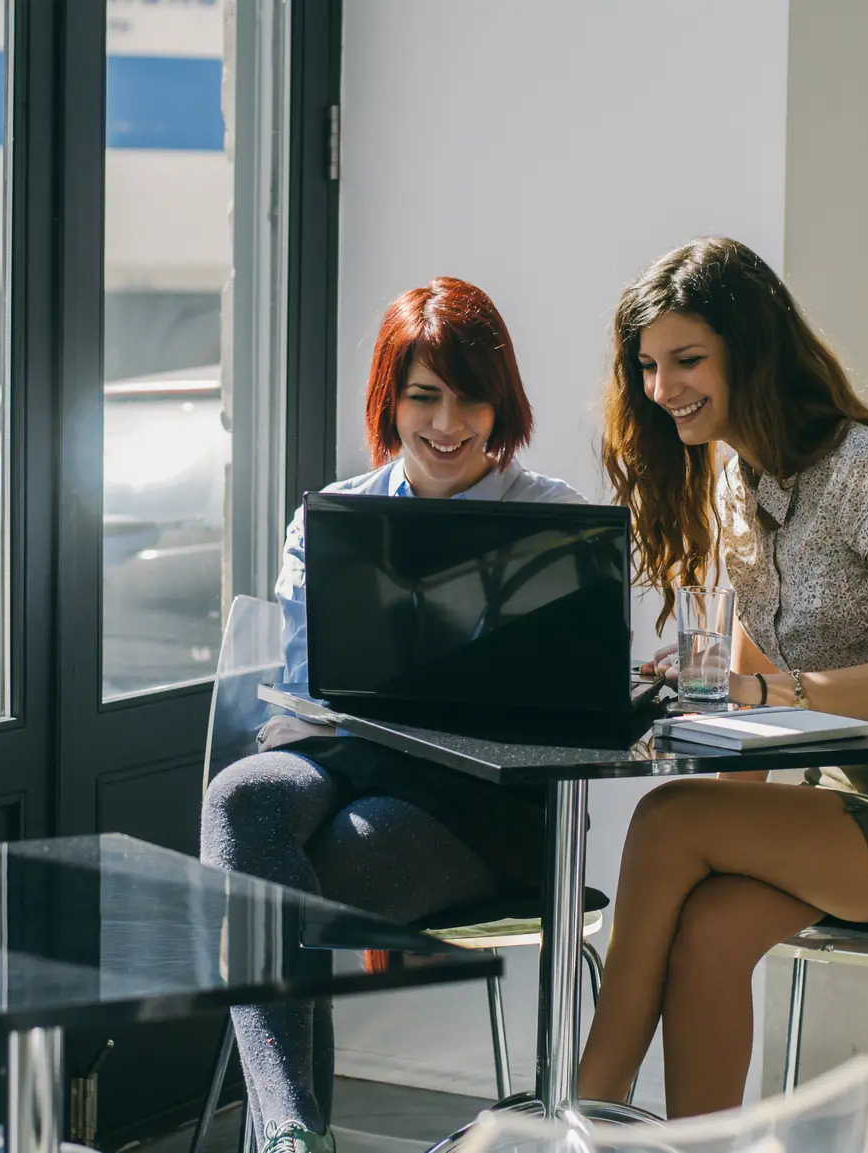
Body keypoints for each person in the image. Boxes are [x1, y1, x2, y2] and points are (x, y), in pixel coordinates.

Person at [576, 237, 868, 1117]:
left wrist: (774, 695)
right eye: (650, 367)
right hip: (842, 803)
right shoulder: (735, 483)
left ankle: (581, 1116)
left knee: (666, 821)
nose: (663, 390)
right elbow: (750, 692)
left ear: (752, 346)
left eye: (688, 360)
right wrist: (701, 737)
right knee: (704, 928)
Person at [200, 276, 586, 1153]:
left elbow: (568, 707)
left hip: (475, 805)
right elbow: (309, 685)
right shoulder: (333, 518)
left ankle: (291, 1132)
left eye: (469, 396)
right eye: (423, 396)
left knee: (277, 878)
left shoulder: (554, 520)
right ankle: (295, 1130)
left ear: (502, 403)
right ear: (390, 399)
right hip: (342, 755)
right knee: (239, 803)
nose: (447, 424)